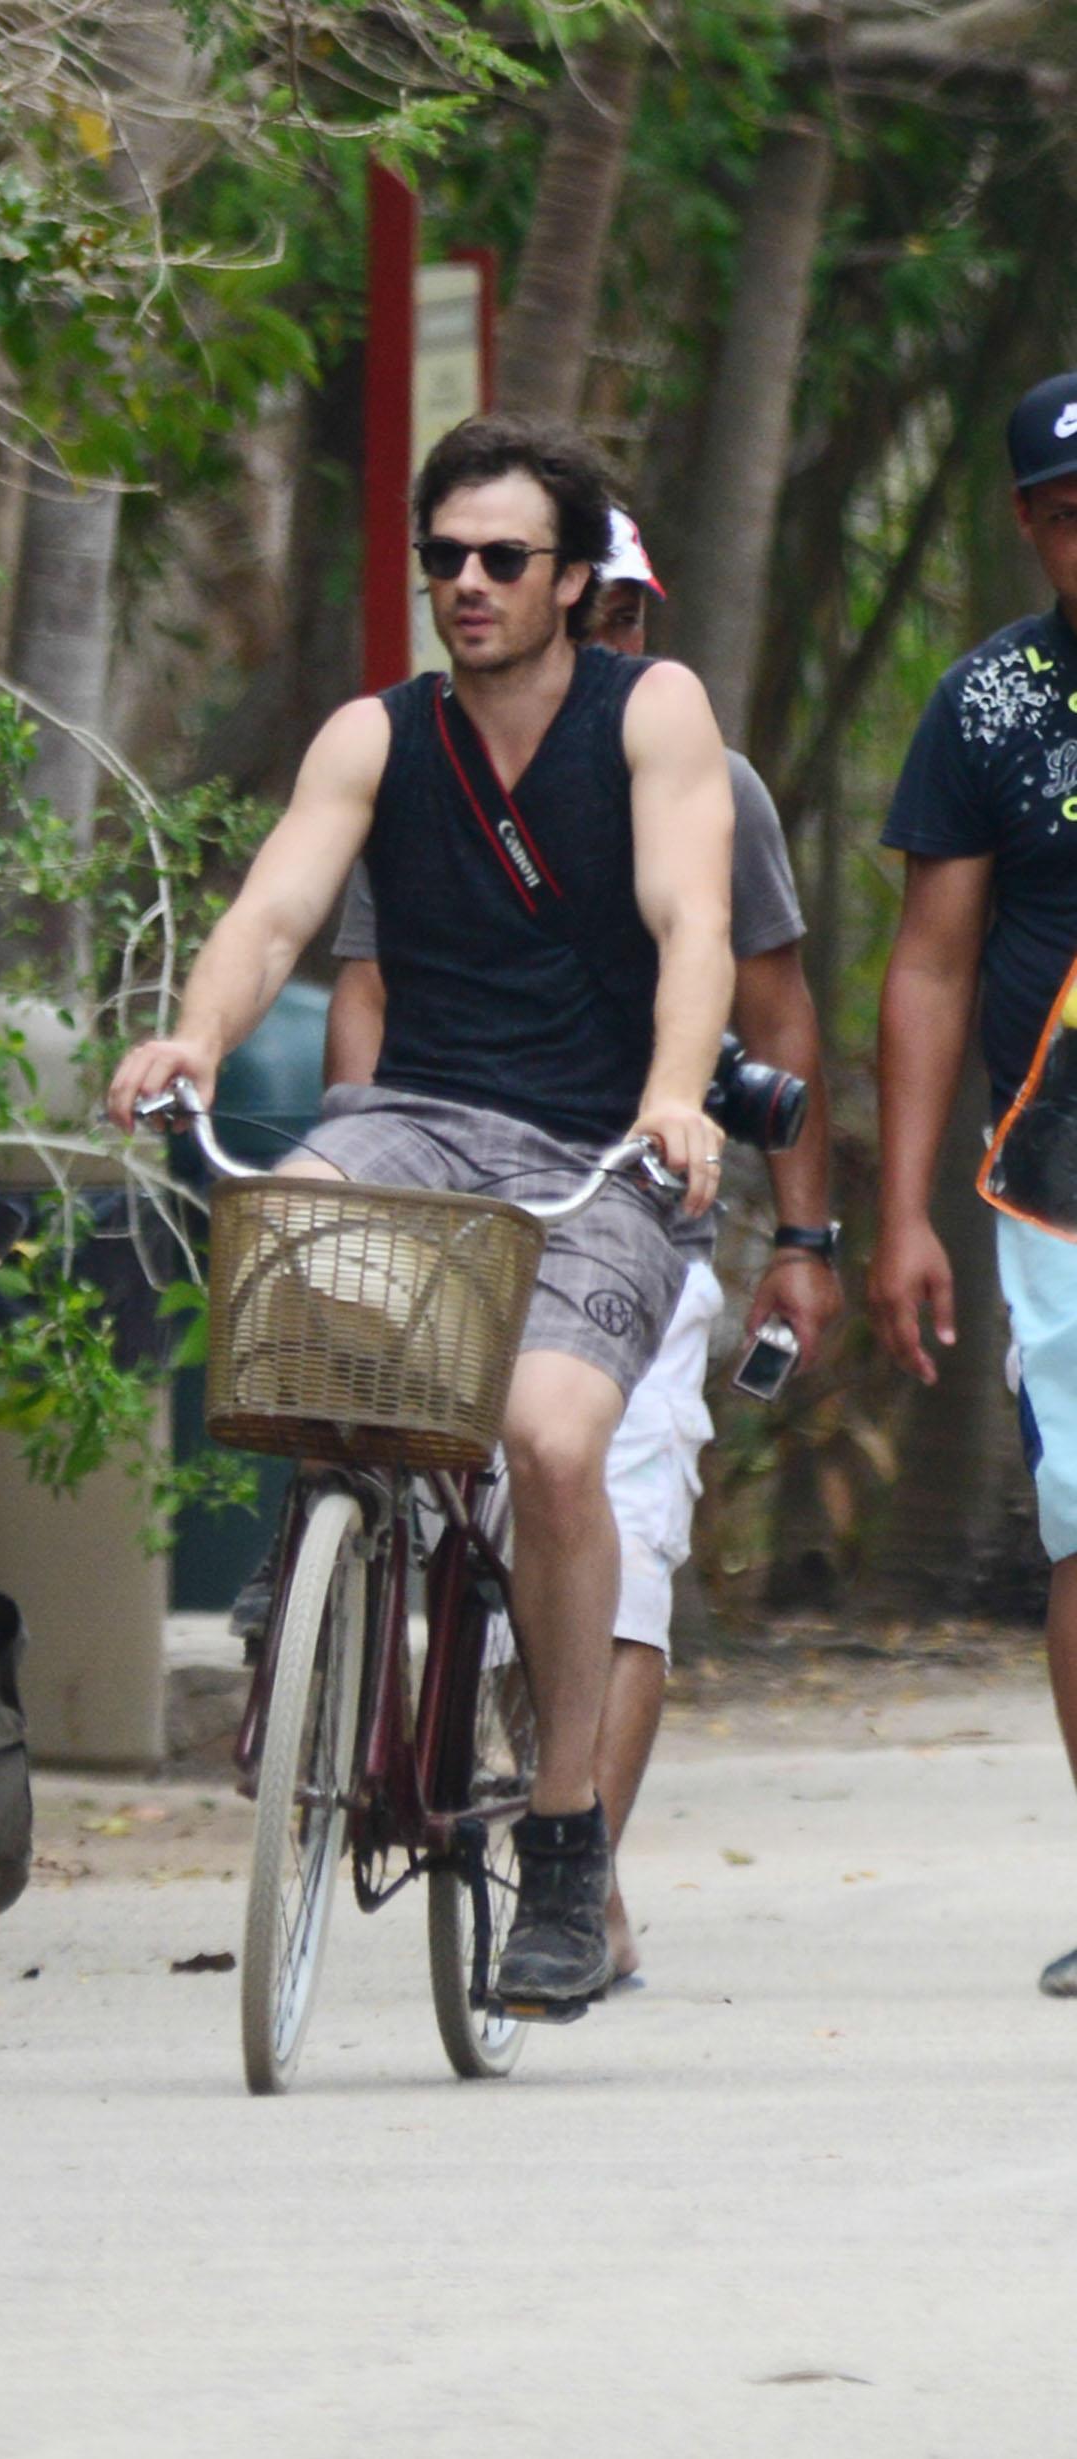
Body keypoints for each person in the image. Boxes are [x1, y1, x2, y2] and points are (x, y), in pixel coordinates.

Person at [112, 412, 733, 2015]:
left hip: (602, 1145)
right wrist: (193, 1028)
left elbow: (693, 914)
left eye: (502, 558)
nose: (467, 582)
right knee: (295, 1219)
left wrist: (677, 1092)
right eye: (442, 555)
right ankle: (322, 1522)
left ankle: (569, 1835)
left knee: (550, 1443)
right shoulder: (376, 735)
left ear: (571, 575)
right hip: (422, 1120)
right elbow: (274, 907)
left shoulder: (650, 708)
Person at [324, 507, 842, 1981]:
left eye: (621, 616)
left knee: (599, 1512)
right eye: (459, 566)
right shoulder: (422, 762)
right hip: (446, 1174)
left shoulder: (705, 780)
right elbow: (361, 985)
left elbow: (770, 1007)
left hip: (637, 1200)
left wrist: (803, 1231)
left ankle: (577, 1868)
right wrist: (362, 1151)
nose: (602, 647)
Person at [871, 369, 1077, 1996]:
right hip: (1057, 1181)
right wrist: (903, 1212)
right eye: (1075, 516)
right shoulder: (991, 704)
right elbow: (932, 965)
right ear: (1029, 525)